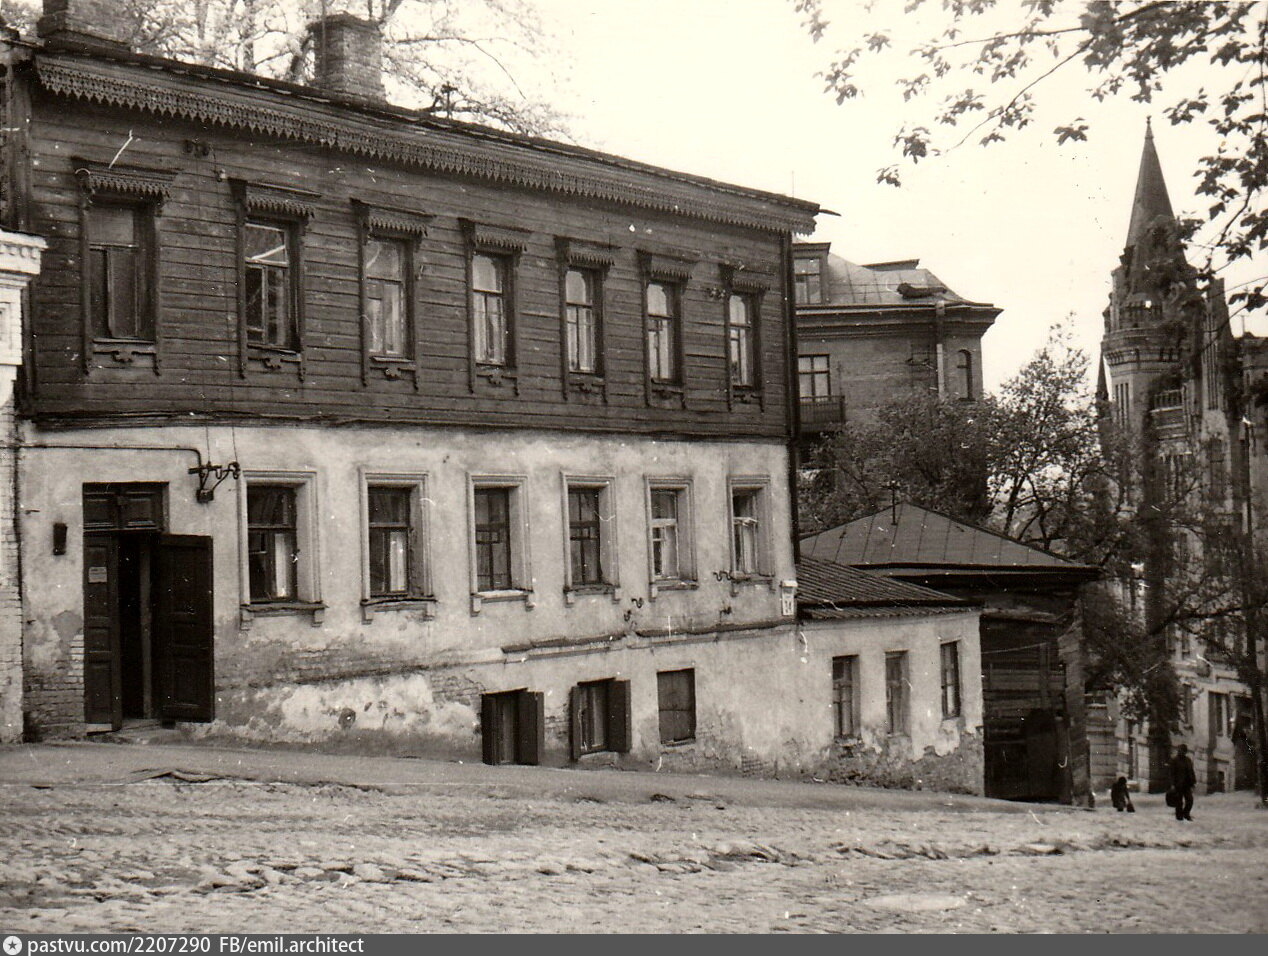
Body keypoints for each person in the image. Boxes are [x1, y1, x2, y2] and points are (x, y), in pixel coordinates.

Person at [1168, 744, 1196, 821]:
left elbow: (1191, 772)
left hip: (1187, 784)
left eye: (1184, 751)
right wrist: (1172, 784)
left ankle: (1186, 814)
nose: (1182, 752)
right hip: (1178, 785)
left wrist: (1193, 782)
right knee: (1179, 802)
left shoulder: (1188, 760)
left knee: (1190, 800)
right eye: (1180, 751)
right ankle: (1179, 816)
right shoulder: (1174, 761)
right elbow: (1171, 774)